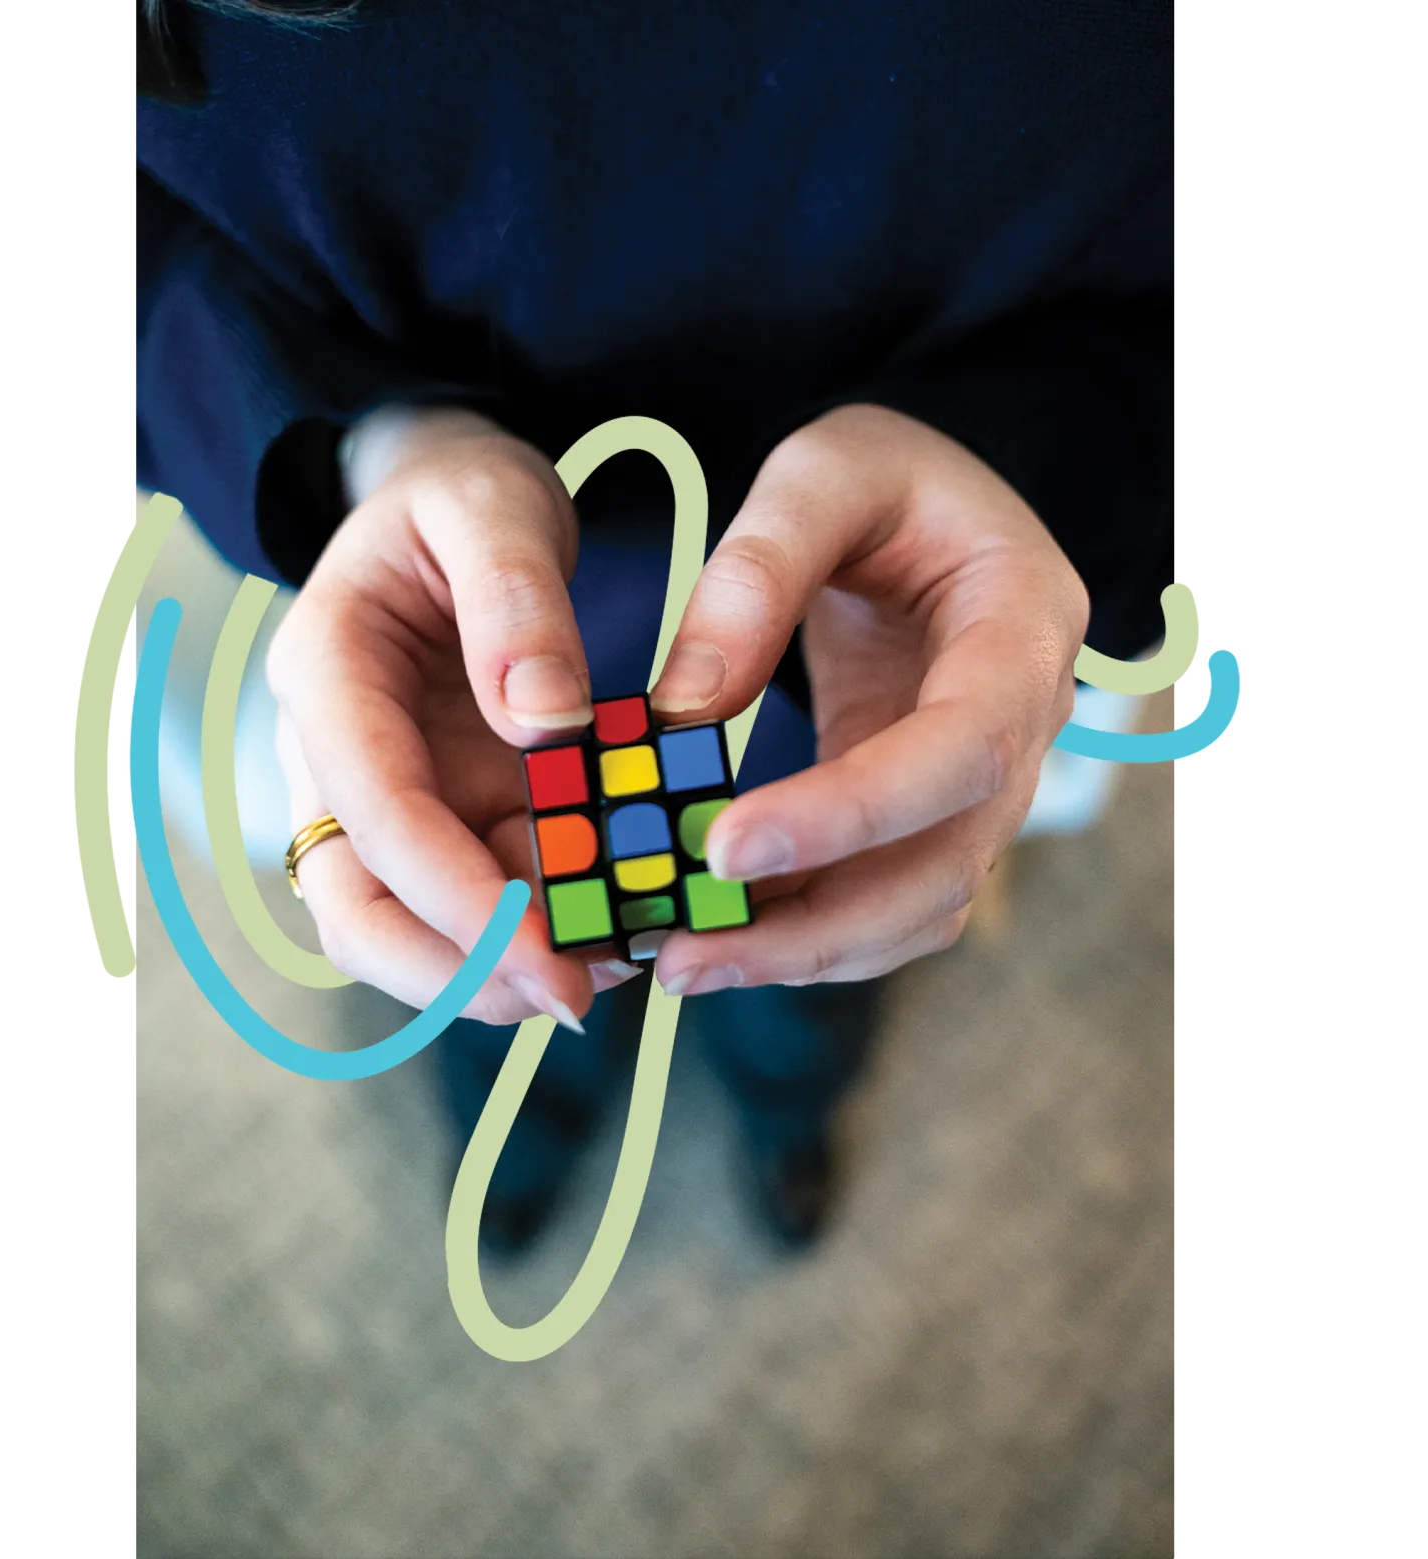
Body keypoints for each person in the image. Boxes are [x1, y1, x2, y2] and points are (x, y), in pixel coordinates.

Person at [130, 0, 1176, 1252]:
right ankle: (526, 1107)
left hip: (881, 652)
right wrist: (354, 444)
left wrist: (1049, 457)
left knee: (812, 946)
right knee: (501, 968)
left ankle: (790, 1102)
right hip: (460, 660)